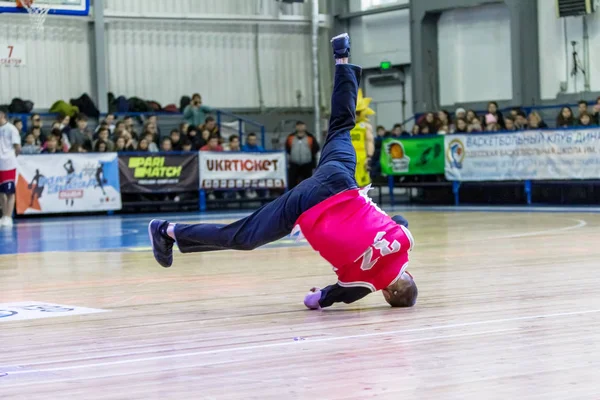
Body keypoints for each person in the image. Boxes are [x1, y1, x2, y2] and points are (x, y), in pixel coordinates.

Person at [148, 34, 418, 310]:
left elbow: (400, 219)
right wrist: (320, 294)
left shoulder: (405, 240)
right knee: (244, 236)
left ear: (409, 274)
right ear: (386, 295)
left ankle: (342, 56)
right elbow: (313, 301)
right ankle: (167, 231)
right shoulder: (360, 287)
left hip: (341, 181)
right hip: (307, 205)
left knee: (341, 125)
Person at [0, 108, 21, 227]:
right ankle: (3, 215)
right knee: (1, 192)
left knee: (9, 191)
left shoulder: (11, 129)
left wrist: (10, 157)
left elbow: (17, 147)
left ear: (2, 115)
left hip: (8, 164)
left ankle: (8, 216)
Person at [351, 89, 375, 187]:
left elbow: (370, 141)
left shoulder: (365, 126)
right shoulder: (345, 126)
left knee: (362, 185)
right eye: (355, 112)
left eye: (358, 112)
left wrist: (369, 157)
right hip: (348, 157)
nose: (356, 115)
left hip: (361, 157)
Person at [286, 121, 320, 189]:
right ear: (296, 127)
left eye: (302, 125)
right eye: (299, 125)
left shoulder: (310, 137)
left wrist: (309, 157)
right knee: (292, 184)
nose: (300, 127)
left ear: (305, 127)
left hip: (307, 164)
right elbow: (288, 148)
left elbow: (316, 148)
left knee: (308, 184)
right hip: (294, 164)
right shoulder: (290, 137)